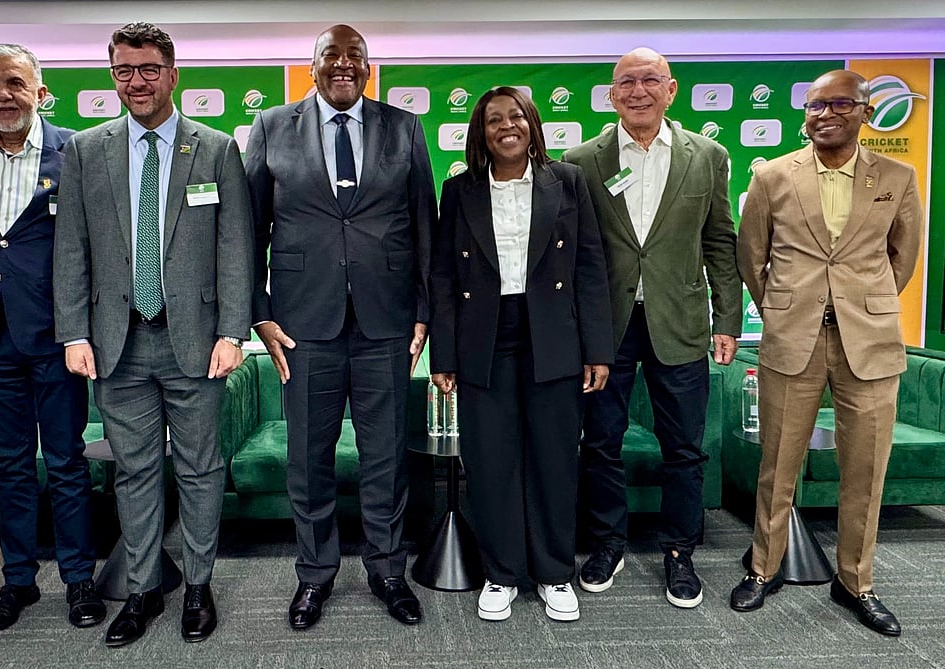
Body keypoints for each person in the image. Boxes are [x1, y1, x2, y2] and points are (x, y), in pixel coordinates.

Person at [53, 22, 252, 647]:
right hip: (116, 343)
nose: (134, 82)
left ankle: (197, 586)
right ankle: (142, 590)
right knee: (134, 472)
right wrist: (72, 333)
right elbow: (72, 249)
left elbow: (235, 247)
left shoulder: (215, 148)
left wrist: (233, 331)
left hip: (195, 341)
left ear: (172, 73)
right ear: (112, 76)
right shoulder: (86, 150)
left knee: (199, 469)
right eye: (122, 71)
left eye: (146, 70)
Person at [245, 23, 436, 630]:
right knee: (309, 459)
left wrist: (425, 311)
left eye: (356, 56)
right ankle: (314, 575)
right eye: (332, 55)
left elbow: (424, 223)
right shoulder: (272, 126)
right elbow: (248, 231)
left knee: (385, 457)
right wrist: (259, 312)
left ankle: (387, 571)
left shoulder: (403, 127)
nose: (344, 65)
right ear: (313, 67)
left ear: (369, 68)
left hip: (385, 322)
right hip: (304, 326)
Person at [731, 70, 922, 636]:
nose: (825, 114)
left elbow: (902, 259)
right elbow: (752, 257)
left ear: (865, 112)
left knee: (865, 470)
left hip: (870, 342)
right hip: (793, 339)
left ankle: (855, 581)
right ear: (804, 114)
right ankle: (763, 568)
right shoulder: (771, 176)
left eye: (840, 104)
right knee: (778, 465)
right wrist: (785, 311)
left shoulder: (897, 176)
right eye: (815, 105)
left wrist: (864, 304)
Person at [562, 47, 741, 609]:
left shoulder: (706, 155)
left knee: (684, 448)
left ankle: (679, 552)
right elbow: (570, 253)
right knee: (601, 443)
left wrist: (727, 317)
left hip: (680, 320)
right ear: (611, 95)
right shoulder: (581, 159)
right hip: (603, 327)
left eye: (649, 81)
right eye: (625, 83)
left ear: (671, 89)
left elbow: (719, 240)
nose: (637, 91)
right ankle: (607, 543)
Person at [429, 87, 613, 623]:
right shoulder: (458, 190)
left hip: (553, 333)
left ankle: (555, 573)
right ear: (480, 132)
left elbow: (589, 267)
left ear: (532, 124)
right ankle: (502, 573)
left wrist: (596, 348)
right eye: (493, 120)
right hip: (484, 336)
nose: (506, 126)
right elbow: (443, 277)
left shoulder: (569, 182)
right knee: (490, 461)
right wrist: (443, 354)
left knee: (554, 458)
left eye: (516, 116)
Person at [0, 43, 104, 634]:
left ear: (40, 91)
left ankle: (79, 580)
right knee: (8, 466)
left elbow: (91, 243)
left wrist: (85, 326)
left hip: (57, 336)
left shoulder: (77, 149)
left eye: (14, 83)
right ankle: (17, 583)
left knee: (64, 462)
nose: (2, 95)